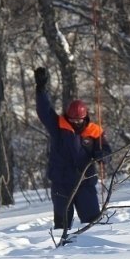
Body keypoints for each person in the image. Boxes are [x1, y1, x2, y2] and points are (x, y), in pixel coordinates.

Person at [34, 66, 112, 230]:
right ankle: (62, 245)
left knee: (92, 222)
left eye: (79, 120)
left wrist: (102, 156)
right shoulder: (58, 127)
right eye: (73, 120)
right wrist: (41, 89)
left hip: (85, 183)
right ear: (68, 117)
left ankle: (95, 245)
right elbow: (44, 111)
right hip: (61, 183)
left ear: (85, 117)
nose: (76, 123)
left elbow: (106, 152)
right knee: (62, 225)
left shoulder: (94, 131)